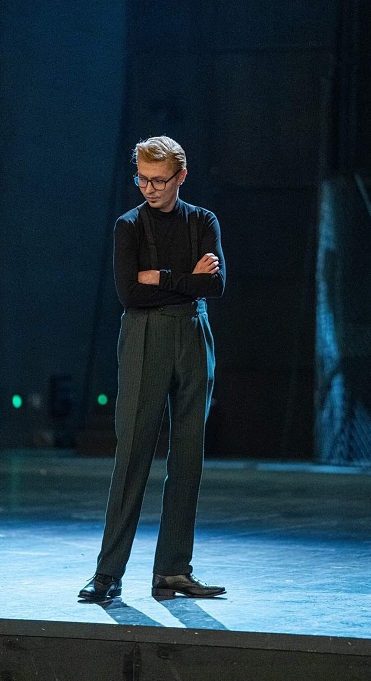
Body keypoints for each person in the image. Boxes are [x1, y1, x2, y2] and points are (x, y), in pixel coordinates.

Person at [79, 136, 226, 601]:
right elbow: (130, 293)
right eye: (142, 179)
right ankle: (108, 573)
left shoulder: (203, 220)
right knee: (133, 454)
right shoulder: (129, 226)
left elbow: (216, 285)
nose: (149, 188)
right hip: (146, 335)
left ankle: (173, 570)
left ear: (181, 177)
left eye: (159, 180)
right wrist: (189, 280)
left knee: (188, 456)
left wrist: (161, 277)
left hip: (194, 334)